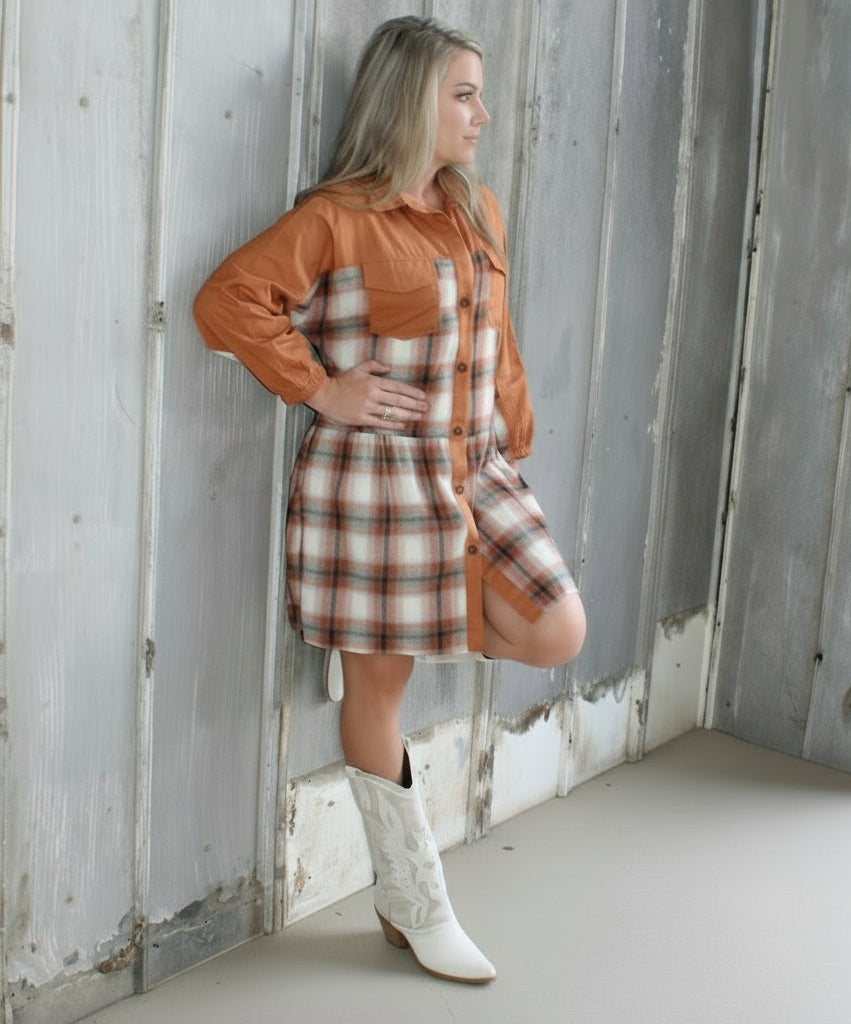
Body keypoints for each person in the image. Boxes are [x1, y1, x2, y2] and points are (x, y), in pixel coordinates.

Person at [193, 16, 586, 984]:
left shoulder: (476, 208)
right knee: (382, 693)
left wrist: (515, 434)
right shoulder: (336, 218)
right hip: (374, 488)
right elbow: (228, 300)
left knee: (556, 628)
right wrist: (323, 388)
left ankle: (389, 624)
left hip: (473, 472)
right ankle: (414, 904)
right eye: (464, 95)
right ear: (412, 102)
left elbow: (500, 338)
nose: (483, 115)